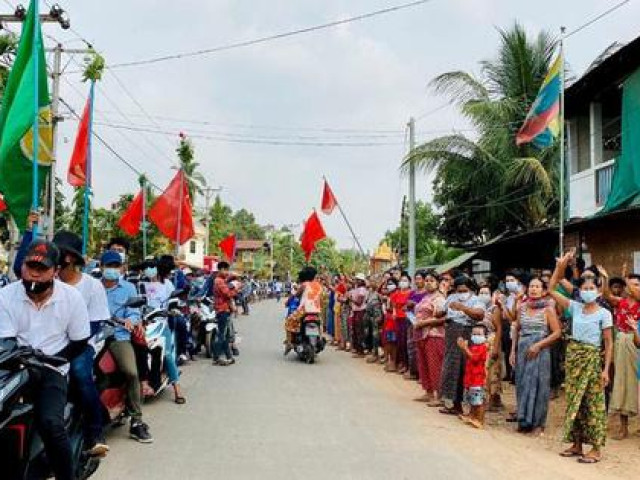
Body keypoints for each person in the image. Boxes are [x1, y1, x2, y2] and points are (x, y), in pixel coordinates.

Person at [0, 240, 90, 480]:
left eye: (43, 269)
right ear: (22, 268)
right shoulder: (5, 296)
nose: (35, 273)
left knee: (51, 423)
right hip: (12, 366)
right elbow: (6, 341)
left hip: (52, 368)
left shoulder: (72, 298)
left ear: (55, 271)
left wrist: (56, 360)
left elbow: (80, 341)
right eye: (31, 266)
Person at [550, 252, 613, 464]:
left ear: (598, 291)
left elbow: (608, 343)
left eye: (591, 288)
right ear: (580, 291)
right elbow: (551, 288)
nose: (587, 291)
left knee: (594, 403)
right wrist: (561, 266)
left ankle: (595, 448)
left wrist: (605, 370)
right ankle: (577, 444)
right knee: (574, 401)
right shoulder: (574, 307)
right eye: (584, 289)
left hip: (592, 359)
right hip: (574, 358)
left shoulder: (604, 313)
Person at [53, 231, 111, 457]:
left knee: (79, 373)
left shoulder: (92, 286)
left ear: (70, 258)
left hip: (83, 342)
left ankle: (94, 433)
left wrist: (72, 344)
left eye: (60, 253)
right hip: (50, 342)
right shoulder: (49, 281)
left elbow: (96, 323)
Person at [101, 250, 153, 443]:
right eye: (109, 266)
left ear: (121, 268)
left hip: (118, 336)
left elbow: (134, 312)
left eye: (116, 266)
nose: (112, 270)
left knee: (131, 372)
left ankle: (137, 421)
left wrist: (131, 320)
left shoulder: (129, 288)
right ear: (101, 266)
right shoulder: (93, 287)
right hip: (93, 337)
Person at [510, 277, 561, 435]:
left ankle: (539, 423)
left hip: (540, 349)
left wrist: (539, 345)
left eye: (537, 286)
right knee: (522, 383)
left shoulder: (548, 309)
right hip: (523, 349)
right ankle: (524, 419)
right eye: (531, 286)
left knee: (540, 385)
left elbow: (557, 332)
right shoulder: (522, 307)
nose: (533, 289)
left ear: (544, 290)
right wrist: (512, 351)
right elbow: (517, 329)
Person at [599, 266, 640, 440]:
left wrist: (625, 279)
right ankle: (624, 428)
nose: (634, 287)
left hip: (635, 342)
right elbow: (606, 295)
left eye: (637, 284)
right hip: (622, 341)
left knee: (637, 386)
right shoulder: (621, 302)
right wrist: (605, 278)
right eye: (632, 285)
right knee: (622, 383)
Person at [140, 259, 186, 404]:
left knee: (167, 355)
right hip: (143, 325)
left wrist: (172, 310)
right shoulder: (141, 284)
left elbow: (173, 302)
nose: (149, 270)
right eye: (146, 267)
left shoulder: (167, 284)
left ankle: (177, 387)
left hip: (161, 325)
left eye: (151, 267)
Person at [439, 276, 485, 416]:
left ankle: (471, 407)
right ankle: (455, 403)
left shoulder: (476, 300)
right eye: (458, 290)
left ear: (470, 288)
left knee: (466, 368)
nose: (461, 293)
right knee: (451, 368)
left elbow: (479, 315)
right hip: (452, 334)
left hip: (466, 333)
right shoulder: (451, 298)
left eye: (464, 290)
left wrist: (463, 308)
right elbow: (442, 311)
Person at [413, 270, 446, 405]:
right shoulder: (425, 297)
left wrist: (424, 323)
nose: (428, 283)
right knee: (424, 363)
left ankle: (438, 395)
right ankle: (428, 391)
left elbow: (443, 318)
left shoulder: (440, 298)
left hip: (434, 334)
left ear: (438, 283)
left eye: (431, 281)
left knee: (434, 364)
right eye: (426, 281)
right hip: (421, 334)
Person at [458, 324, 489, 429]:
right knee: (472, 399)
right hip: (471, 377)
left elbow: (475, 359)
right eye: (474, 333)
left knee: (478, 401)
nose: (476, 336)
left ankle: (480, 420)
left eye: (479, 334)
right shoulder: (474, 346)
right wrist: (464, 348)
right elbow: (468, 356)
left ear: (485, 336)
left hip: (478, 379)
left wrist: (465, 348)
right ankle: (471, 416)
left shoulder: (483, 347)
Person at [478, 284, 504, 411]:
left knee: (492, 371)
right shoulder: (478, 308)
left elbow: (499, 329)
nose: (483, 295)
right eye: (481, 292)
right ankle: (487, 398)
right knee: (482, 371)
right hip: (481, 342)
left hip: (492, 341)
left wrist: (495, 347)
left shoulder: (494, 309)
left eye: (485, 293)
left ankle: (492, 398)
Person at [406, 270, 429, 381]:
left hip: (424, 323)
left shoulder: (427, 294)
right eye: (416, 278)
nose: (417, 281)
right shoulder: (412, 293)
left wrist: (414, 304)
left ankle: (422, 374)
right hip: (411, 322)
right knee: (411, 347)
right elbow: (406, 306)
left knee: (421, 348)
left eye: (419, 278)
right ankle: (413, 371)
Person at [212, 262, 237, 366]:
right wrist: (236, 288)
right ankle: (217, 357)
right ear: (221, 269)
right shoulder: (219, 281)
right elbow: (228, 294)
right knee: (222, 335)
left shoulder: (221, 280)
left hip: (224, 309)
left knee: (225, 335)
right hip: (222, 310)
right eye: (226, 270)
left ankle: (228, 356)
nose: (227, 272)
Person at [393, 272, 413, 375]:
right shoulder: (397, 293)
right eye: (401, 280)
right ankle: (401, 363)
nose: (403, 282)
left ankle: (407, 365)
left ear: (409, 282)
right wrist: (394, 312)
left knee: (406, 342)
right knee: (399, 342)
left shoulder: (411, 293)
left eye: (405, 280)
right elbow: (393, 305)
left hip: (407, 319)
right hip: (398, 319)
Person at [364, 278, 384, 364]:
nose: (372, 283)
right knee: (371, 335)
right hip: (369, 316)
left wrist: (379, 317)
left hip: (376, 316)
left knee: (376, 336)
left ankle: (376, 354)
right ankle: (373, 352)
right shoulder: (369, 293)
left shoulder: (378, 295)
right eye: (371, 281)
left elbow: (381, 306)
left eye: (374, 281)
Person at [382, 278, 399, 371]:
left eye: (391, 283)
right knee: (388, 341)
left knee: (393, 342)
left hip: (393, 321)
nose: (389, 285)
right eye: (388, 284)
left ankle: (393, 362)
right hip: (388, 320)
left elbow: (393, 308)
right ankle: (390, 361)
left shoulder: (395, 294)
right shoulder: (389, 295)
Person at [349, 273, 368, 357]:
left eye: (358, 279)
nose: (356, 281)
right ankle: (357, 349)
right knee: (356, 331)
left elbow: (359, 303)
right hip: (356, 311)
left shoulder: (362, 290)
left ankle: (361, 351)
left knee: (359, 331)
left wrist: (351, 299)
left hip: (360, 311)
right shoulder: (357, 289)